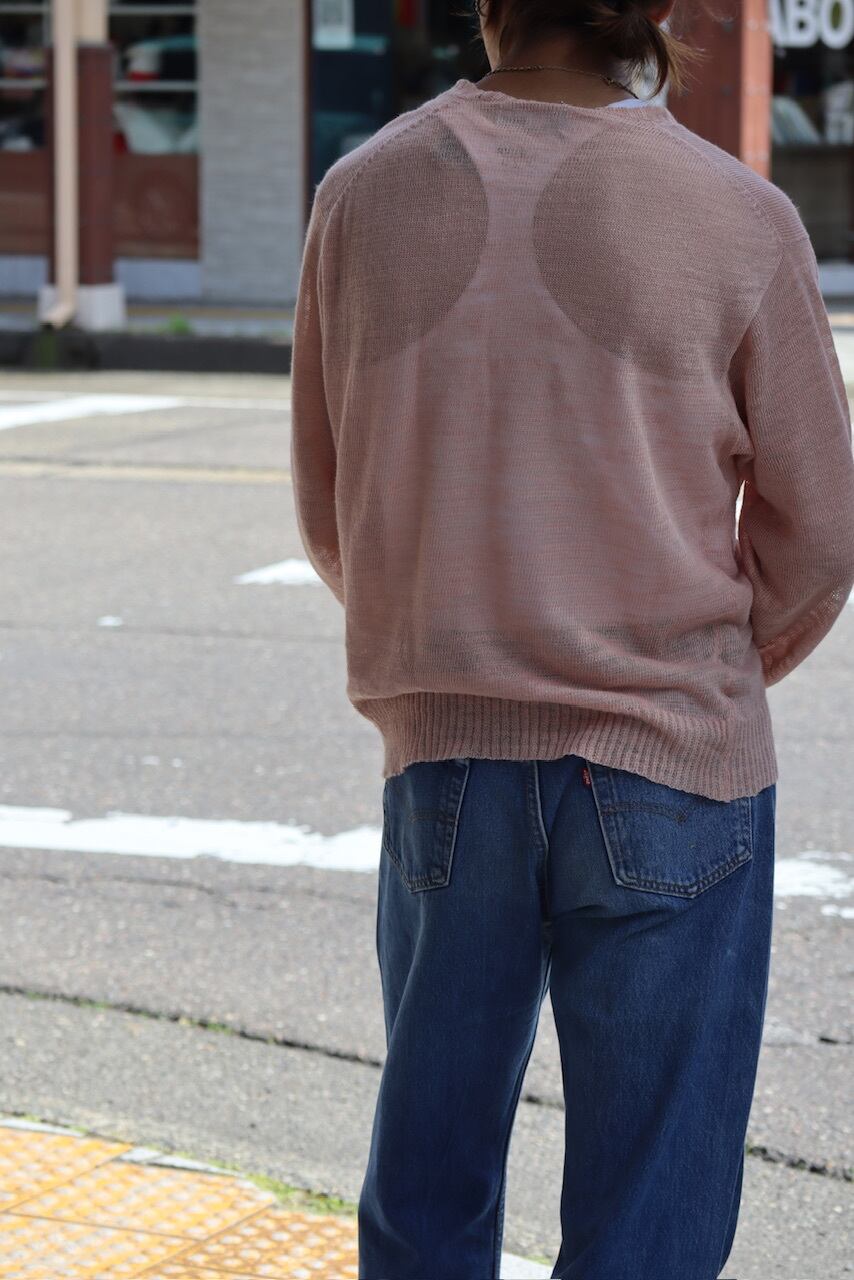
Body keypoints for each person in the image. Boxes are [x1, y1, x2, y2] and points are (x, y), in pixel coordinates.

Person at [289, 0, 854, 1275]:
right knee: (650, 1205)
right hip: (672, 758)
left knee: (427, 1187)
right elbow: (819, 533)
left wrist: (455, 639)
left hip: (446, 752)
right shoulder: (736, 212)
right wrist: (703, 672)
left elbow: (334, 510)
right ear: (650, 12)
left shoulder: (360, 195)